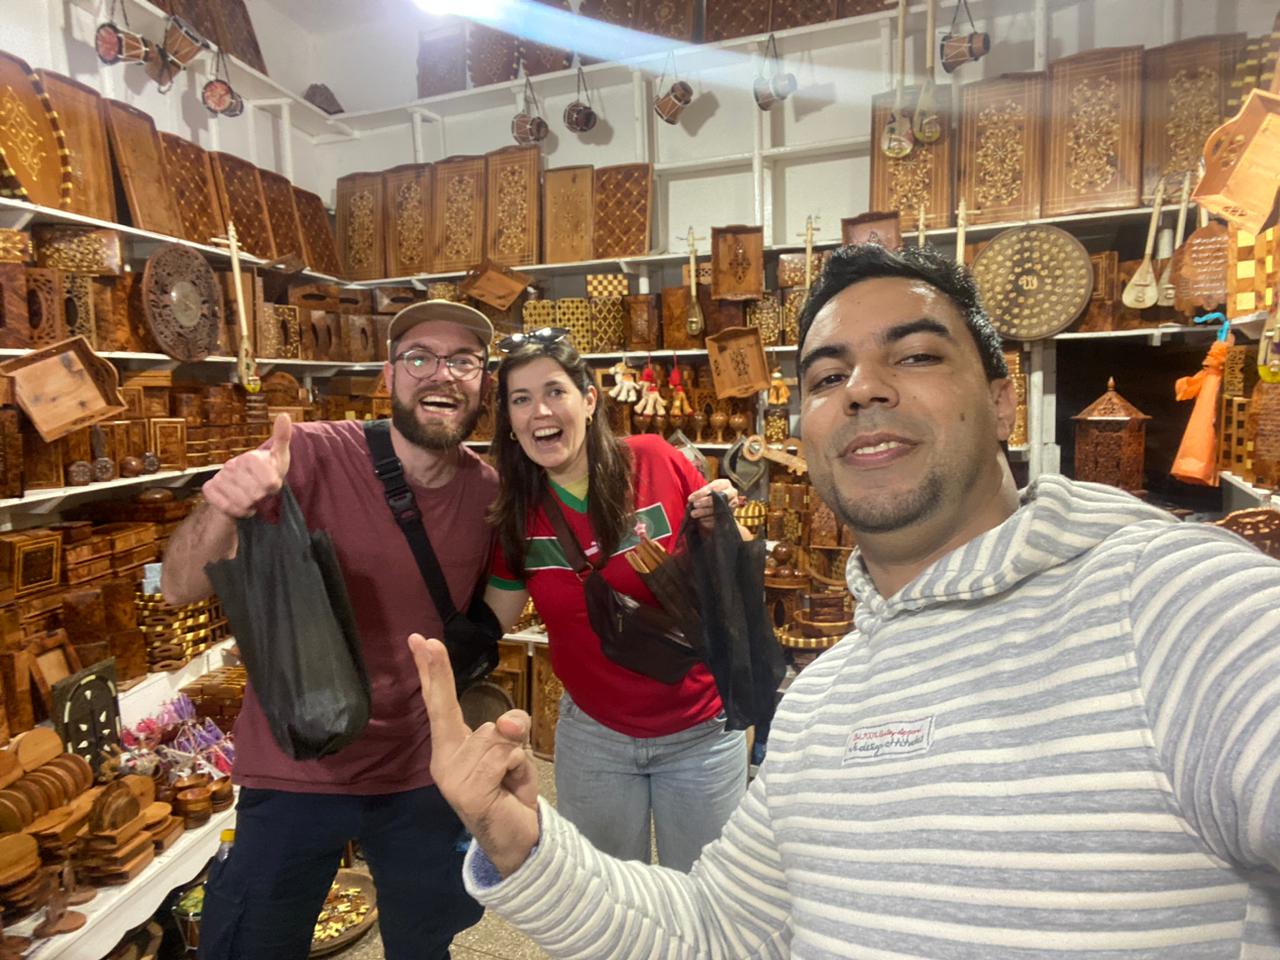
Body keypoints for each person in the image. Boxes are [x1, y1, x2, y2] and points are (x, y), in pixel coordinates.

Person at [407, 245, 1280, 958]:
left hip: (693, 724)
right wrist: (522, 845)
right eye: (827, 376)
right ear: (807, 431)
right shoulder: (820, 709)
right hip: (600, 731)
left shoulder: (1172, 607)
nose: (862, 387)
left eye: (916, 354)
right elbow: (716, 930)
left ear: (1004, 400)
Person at [161, 300, 500, 960]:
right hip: (296, 766)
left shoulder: (489, 494)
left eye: (464, 361)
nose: (442, 374)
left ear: (483, 383)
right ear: (388, 375)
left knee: (424, 947)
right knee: (254, 946)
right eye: (420, 358)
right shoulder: (310, 455)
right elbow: (178, 587)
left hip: (419, 772)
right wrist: (221, 504)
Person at [477, 331, 749, 872]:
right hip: (595, 740)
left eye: (555, 391)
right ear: (509, 420)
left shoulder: (654, 460)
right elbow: (488, 624)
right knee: (610, 900)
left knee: (708, 897)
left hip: (701, 731)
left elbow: (736, 565)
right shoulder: (516, 513)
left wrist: (722, 523)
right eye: (521, 399)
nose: (540, 411)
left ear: (588, 400)